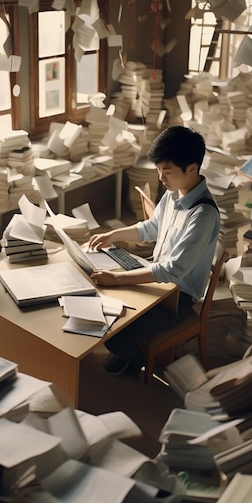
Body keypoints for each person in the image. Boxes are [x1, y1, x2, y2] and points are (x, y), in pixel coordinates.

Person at [88, 126, 220, 375]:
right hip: (156, 276)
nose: (161, 179)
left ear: (192, 168)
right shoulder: (173, 195)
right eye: (160, 171)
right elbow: (151, 228)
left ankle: (152, 361)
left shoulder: (203, 215)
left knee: (112, 337)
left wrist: (117, 279)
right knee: (99, 303)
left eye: (167, 172)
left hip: (178, 296)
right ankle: (138, 346)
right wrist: (112, 235)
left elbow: (172, 271)